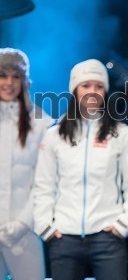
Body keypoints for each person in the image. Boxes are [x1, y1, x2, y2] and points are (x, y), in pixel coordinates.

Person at [33, 59, 128, 280]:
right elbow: (43, 184)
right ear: (75, 89)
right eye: (86, 85)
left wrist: (124, 224)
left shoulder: (122, 134)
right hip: (63, 238)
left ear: (105, 91)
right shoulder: (54, 136)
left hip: (108, 238)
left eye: (98, 86)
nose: (92, 91)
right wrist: (46, 227)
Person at [0, 48, 52, 280]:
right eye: (2, 75)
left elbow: (45, 181)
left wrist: (22, 223)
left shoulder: (41, 123)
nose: (9, 82)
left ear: (24, 80)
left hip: (25, 232)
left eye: (16, 76)